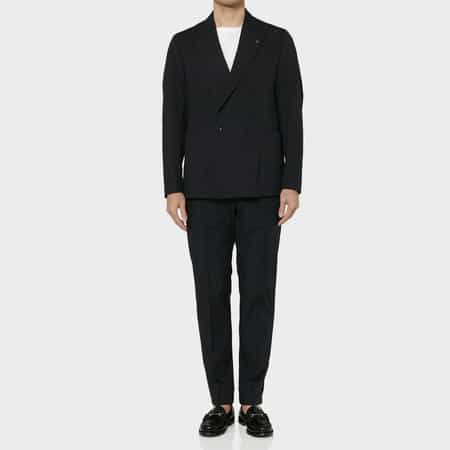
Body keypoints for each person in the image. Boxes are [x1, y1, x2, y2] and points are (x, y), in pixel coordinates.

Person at [162, 0, 303, 438]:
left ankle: (252, 401)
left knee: (259, 292)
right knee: (211, 294)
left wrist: (291, 181)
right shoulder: (184, 45)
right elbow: (173, 117)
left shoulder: (277, 41)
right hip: (203, 189)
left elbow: (291, 113)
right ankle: (221, 401)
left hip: (262, 189)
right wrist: (172, 185)